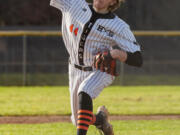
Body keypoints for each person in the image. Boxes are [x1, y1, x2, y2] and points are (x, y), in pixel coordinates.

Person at [50, 0, 143, 134]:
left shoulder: (119, 26)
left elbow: (137, 59)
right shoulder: (73, 4)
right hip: (74, 69)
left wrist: (115, 53)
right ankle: (100, 119)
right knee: (78, 120)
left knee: (85, 90)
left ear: (113, 2)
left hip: (100, 69)